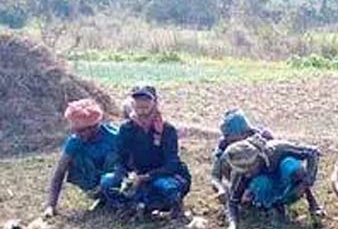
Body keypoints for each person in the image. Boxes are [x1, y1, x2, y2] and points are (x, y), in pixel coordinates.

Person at [100, 85, 191, 218]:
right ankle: (138, 204)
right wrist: (127, 176)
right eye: (138, 107)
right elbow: (120, 159)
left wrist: (146, 177)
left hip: (160, 175)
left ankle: (147, 205)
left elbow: (172, 164)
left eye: (146, 107)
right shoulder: (126, 129)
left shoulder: (167, 129)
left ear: (155, 104)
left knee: (168, 188)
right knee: (107, 182)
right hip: (135, 174)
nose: (142, 112)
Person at [220, 135, 324, 229]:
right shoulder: (241, 175)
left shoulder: (277, 149)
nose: (249, 173)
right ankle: (275, 209)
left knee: (292, 167)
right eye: (246, 171)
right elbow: (232, 202)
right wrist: (233, 224)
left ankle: (312, 205)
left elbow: (312, 152)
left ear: (259, 157)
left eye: (252, 167)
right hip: (267, 190)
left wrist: (306, 183)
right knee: (260, 183)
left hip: (288, 183)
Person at [44, 98, 119, 217]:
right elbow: (59, 173)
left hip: (116, 182)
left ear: (94, 127)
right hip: (94, 185)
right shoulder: (74, 142)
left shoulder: (115, 137)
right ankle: (102, 197)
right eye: (74, 129)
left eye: (80, 130)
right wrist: (51, 206)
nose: (76, 133)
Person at [212, 108, 276, 202]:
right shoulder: (224, 145)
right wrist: (220, 189)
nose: (228, 140)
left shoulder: (264, 138)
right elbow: (215, 176)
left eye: (231, 137)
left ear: (244, 133)